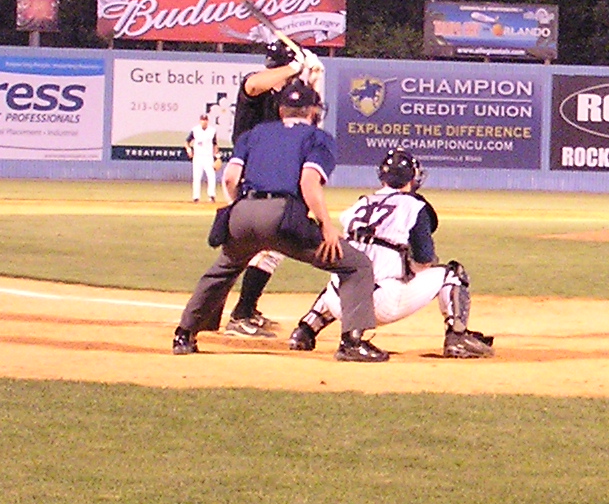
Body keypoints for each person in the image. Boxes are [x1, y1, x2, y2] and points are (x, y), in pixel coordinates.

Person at [173, 78, 389, 362]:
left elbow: (229, 178)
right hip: (282, 216)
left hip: (242, 212)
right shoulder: (318, 138)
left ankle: (184, 334)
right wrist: (326, 225)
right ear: (314, 111)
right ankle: (351, 343)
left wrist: (241, 209)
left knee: (224, 269)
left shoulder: (255, 134)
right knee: (356, 264)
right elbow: (308, 181)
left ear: (280, 110)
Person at [286, 148, 494, 359]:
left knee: (344, 276)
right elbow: (424, 260)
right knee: (453, 273)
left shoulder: (360, 204)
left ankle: (305, 329)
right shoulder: (413, 206)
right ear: (413, 178)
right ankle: (457, 337)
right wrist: (408, 268)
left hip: (338, 303)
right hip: (381, 303)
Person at [222, 37, 324, 337]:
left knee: (257, 248)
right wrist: (295, 65)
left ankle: (242, 310)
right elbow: (252, 85)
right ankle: (240, 315)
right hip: (249, 175)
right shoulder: (259, 88)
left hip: (273, 177)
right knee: (265, 246)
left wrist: (315, 80)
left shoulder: (289, 97)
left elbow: (310, 123)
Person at [186, 113, 220, 203]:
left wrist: (217, 156)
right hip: (198, 157)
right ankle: (196, 197)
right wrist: (189, 150)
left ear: (207, 121)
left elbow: (215, 144)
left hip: (208, 157)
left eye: (205, 120)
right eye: (202, 120)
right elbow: (187, 142)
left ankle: (211, 195)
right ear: (200, 121)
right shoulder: (195, 130)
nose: (204, 122)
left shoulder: (212, 130)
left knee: (211, 176)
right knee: (197, 177)